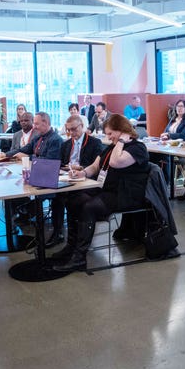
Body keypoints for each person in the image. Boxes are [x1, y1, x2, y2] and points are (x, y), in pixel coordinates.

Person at [53, 114, 150, 272]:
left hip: (126, 194)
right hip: (107, 190)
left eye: (111, 133)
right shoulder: (112, 147)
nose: (108, 137)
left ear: (122, 131)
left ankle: (79, 257)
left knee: (89, 207)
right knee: (73, 200)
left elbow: (115, 162)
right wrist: (83, 173)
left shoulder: (138, 148)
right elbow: (95, 166)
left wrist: (121, 141)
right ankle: (71, 246)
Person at [46, 115, 103, 248]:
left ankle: (75, 240)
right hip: (67, 176)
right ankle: (58, 232)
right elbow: (60, 163)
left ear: (82, 127)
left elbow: (96, 165)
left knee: (72, 198)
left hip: (86, 179)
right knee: (57, 196)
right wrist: (64, 168)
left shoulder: (94, 143)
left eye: (74, 129)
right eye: (68, 130)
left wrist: (81, 168)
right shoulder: (66, 144)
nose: (71, 133)